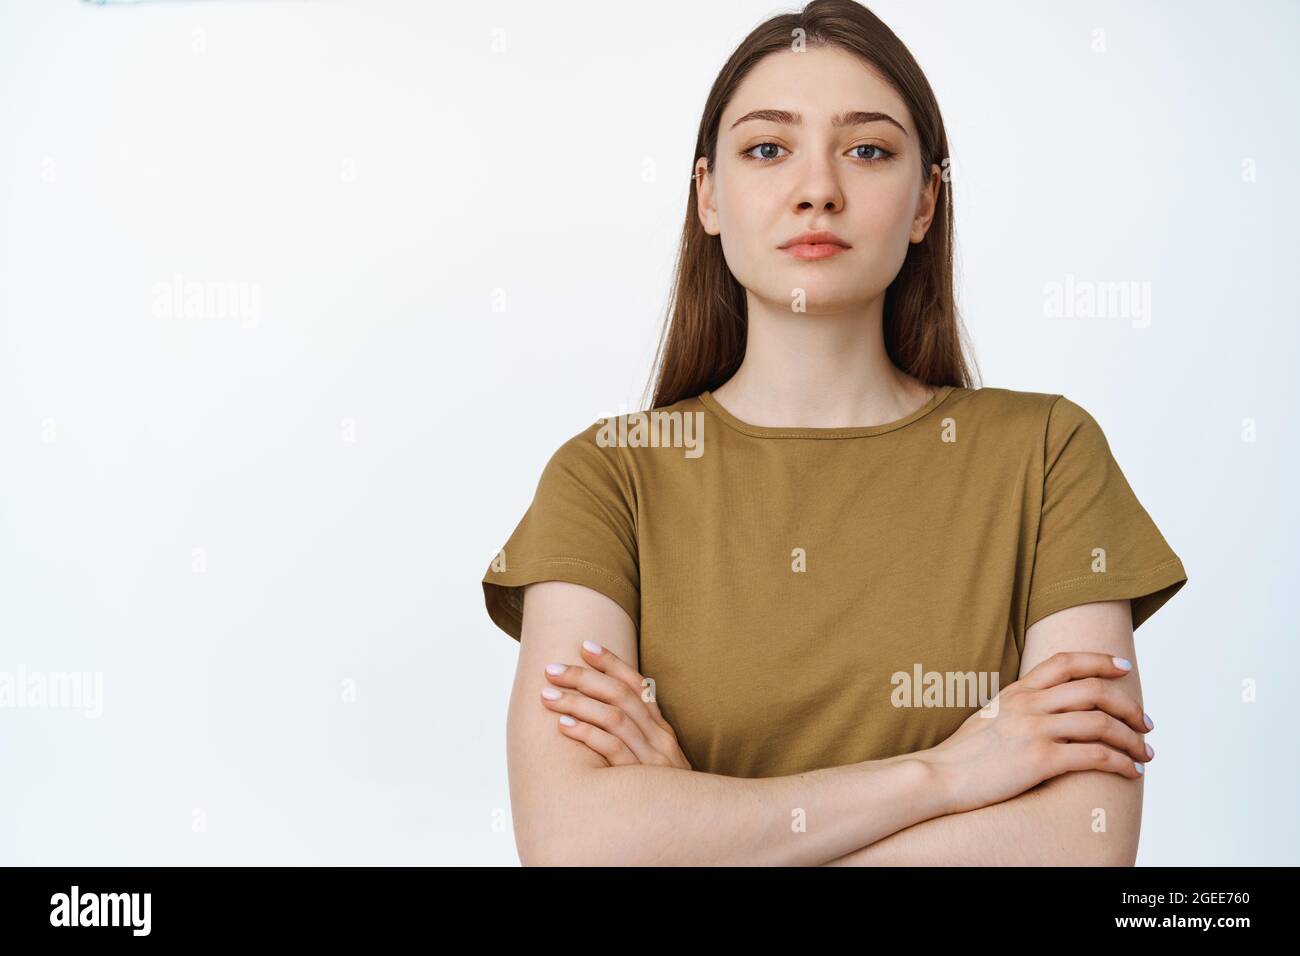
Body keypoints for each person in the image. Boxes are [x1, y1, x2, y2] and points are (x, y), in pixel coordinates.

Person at [480, 0, 1187, 866]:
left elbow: (1079, 849)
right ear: (708, 195)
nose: (818, 187)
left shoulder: (1048, 456)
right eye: (768, 148)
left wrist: (699, 835)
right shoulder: (607, 478)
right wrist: (946, 776)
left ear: (927, 201)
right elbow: (574, 846)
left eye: (868, 149)